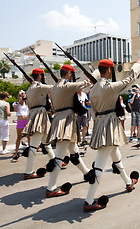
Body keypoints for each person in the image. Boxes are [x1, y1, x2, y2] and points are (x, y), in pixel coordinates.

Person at [83, 57, 140, 212]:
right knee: (99, 164)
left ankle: (128, 182)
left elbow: (93, 110)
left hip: (100, 122)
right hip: (109, 125)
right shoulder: (109, 87)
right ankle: (89, 200)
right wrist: (138, 63)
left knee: (116, 156)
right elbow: (130, 78)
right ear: (109, 70)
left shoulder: (93, 89)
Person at [45, 64, 91, 197]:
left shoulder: (54, 87)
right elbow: (87, 82)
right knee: (59, 155)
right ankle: (51, 187)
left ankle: (86, 173)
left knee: (74, 152)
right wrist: (96, 75)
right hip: (66, 121)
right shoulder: (66, 86)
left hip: (59, 119)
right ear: (69, 74)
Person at [21, 68, 56, 178]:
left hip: (36, 113)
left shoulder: (30, 87)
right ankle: (28, 171)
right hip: (40, 115)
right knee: (34, 145)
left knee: (47, 142)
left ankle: (55, 162)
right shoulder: (39, 87)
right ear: (40, 76)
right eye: (43, 76)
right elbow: (55, 88)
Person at [12, 90, 30, 160]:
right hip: (20, 121)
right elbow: (16, 110)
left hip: (26, 120)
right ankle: (16, 151)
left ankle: (30, 150)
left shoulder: (27, 103)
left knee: (29, 137)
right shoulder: (16, 103)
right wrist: (19, 101)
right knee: (19, 137)